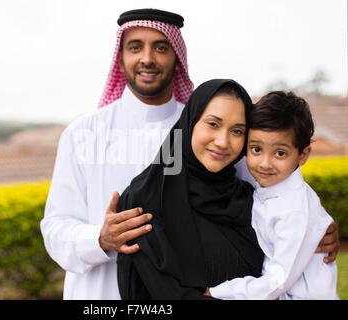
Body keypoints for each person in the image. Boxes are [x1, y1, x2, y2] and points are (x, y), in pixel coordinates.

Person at [40, 8, 339, 300]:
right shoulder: (84, 134)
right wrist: (99, 238)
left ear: (178, 58)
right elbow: (55, 227)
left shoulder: (200, 128)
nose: (147, 58)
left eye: (161, 47)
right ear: (120, 57)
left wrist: (313, 225)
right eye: (135, 47)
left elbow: (271, 182)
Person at [117, 79, 266, 299]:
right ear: (190, 123)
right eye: (213, 124)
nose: (223, 141)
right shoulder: (146, 199)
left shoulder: (250, 199)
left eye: (237, 131)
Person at [206, 91, 339, 299]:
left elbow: (277, 281)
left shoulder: (294, 210)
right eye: (256, 149)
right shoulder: (271, 190)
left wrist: (218, 292)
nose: (265, 163)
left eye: (280, 153)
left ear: (303, 155)